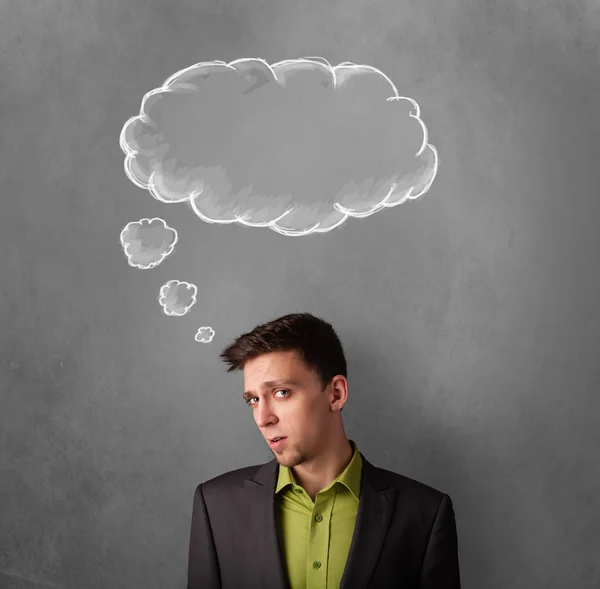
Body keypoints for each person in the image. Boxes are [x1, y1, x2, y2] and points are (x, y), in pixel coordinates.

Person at [187, 312, 461, 589]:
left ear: (336, 394)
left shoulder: (424, 514)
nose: (263, 418)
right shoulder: (216, 506)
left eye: (281, 392)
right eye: (254, 400)